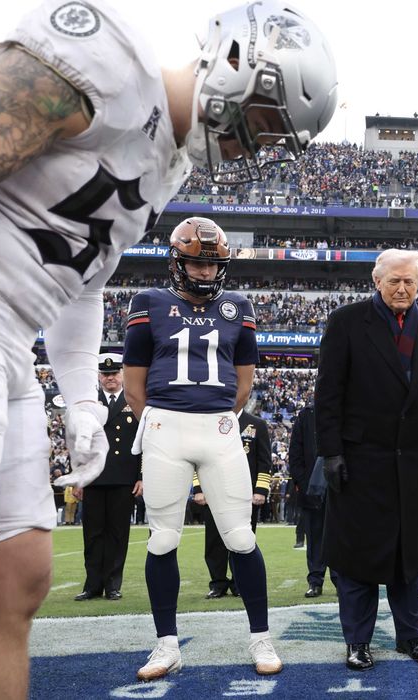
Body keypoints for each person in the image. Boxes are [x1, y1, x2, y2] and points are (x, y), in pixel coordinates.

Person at [0, 2, 336, 695]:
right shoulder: (106, 62)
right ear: (236, 61)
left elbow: (83, 287)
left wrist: (83, 398)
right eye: (264, 121)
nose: (255, 146)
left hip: (7, 338)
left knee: (16, 579)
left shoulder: (169, 161)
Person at [123, 217, 279, 680]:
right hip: (165, 427)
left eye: (213, 265)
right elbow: (134, 386)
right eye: (197, 263)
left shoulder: (238, 306)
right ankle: (166, 645)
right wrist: (165, 423)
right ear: (177, 261)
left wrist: (212, 419)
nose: (207, 272)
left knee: (240, 537)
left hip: (218, 428)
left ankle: (260, 637)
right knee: (164, 537)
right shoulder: (149, 302)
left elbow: (243, 385)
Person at [314, 249, 418, 671]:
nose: (402, 288)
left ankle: (412, 637)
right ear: (377, 281)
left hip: (412, 459)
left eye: (410, 281)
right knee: (358, 556)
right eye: (394, 280)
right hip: (360, 459)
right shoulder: (347, 321)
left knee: (409, 554)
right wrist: (332, 452)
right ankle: (358, 642)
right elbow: (328, 393)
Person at [74, 353, 142, 602]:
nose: (110, 378)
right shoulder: (89, 403)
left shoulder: (133, 400)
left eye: (113, 374)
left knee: (117, 534)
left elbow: (142, 442)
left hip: (123, 477)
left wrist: (140, 476)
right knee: (92, 535)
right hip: (94, 478)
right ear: (99, 376)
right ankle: (92, 585)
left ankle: (113, 584)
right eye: (105, 374)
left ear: (122, 375)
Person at [194, 405, 273, 599]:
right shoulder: (208, 424)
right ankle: (218, 583)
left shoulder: (257, 424)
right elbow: (197, 458)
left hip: (244, 495)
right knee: (213, 542)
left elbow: (264, 460)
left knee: (243, 541)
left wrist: (261, 489)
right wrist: (199, 488)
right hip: (214, 490)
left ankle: (240, 583)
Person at [288, 400, 327, 598]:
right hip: (311, 489)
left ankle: (341, 581)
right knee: (314, 538)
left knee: (341, 537)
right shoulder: (305, 416)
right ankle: (315, 581)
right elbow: (294, 454)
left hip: (339, 489)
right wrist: (306, 485)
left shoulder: (345, 409)